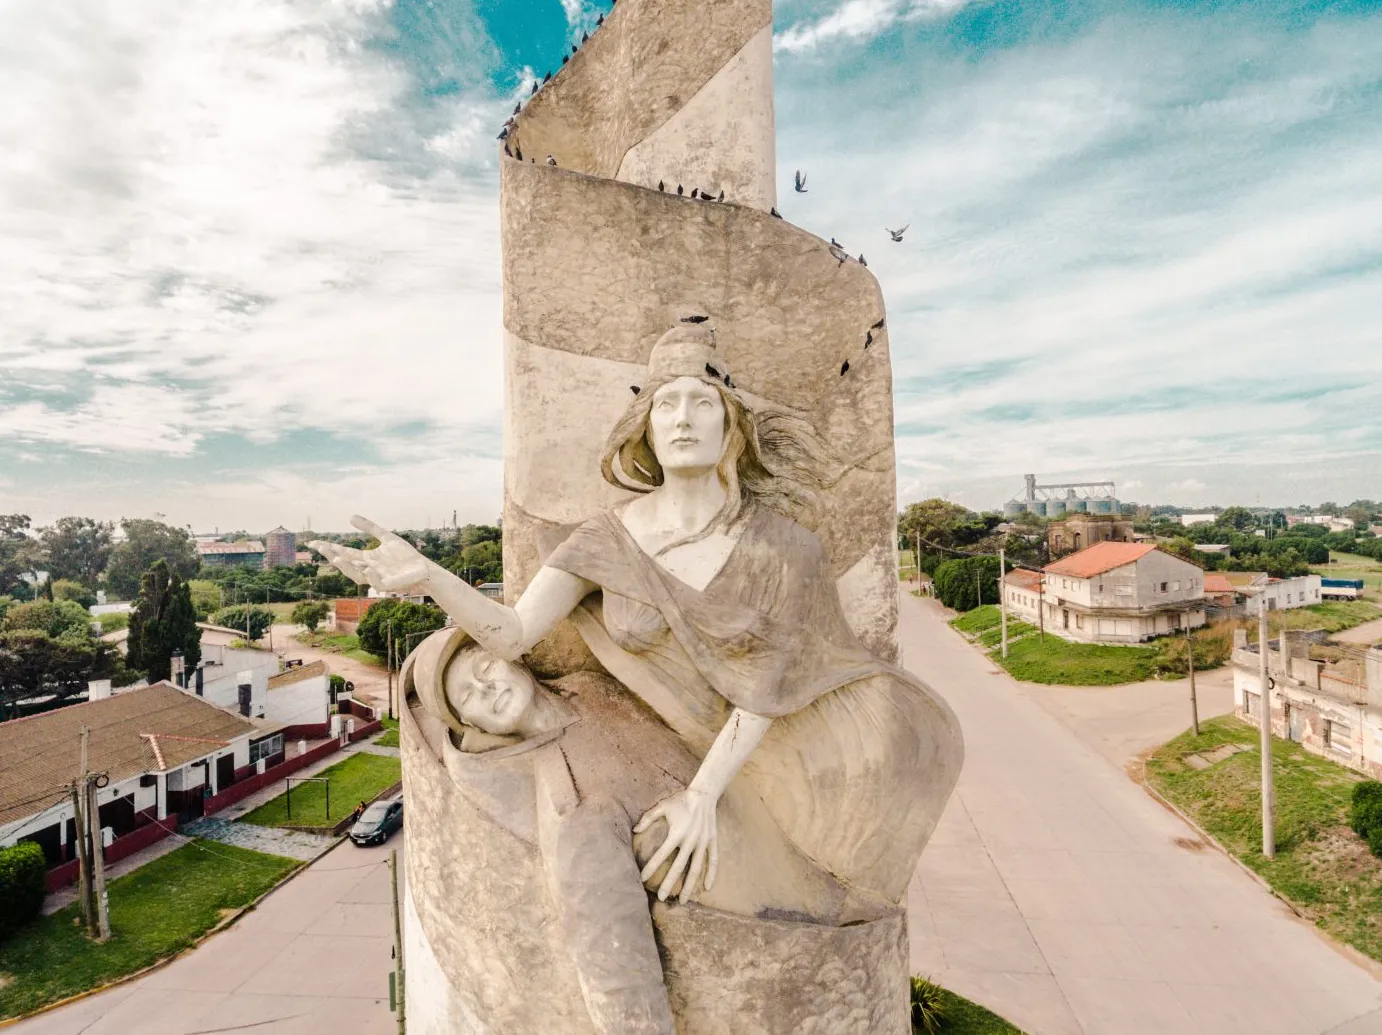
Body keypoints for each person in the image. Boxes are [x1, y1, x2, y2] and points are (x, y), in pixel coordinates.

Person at [312, 317, 960, 909]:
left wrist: (703, 796)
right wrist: (430, 577)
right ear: (645, 426)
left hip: (766, 770)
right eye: (665, 404)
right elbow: (511, 633)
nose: (682, 418)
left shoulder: (783, 548)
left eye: (701, 403)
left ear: (730, 425)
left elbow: (767, 690)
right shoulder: (605, 538)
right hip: (651, 760)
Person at [401, 627, 861, 1035]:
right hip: (773, 941)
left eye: (484, 665)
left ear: (513, 656)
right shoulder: (572, 803)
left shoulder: (589, 688)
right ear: (473, 725)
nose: (487, 687)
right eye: (468, 697)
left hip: (795, 858)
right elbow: (614, 966)